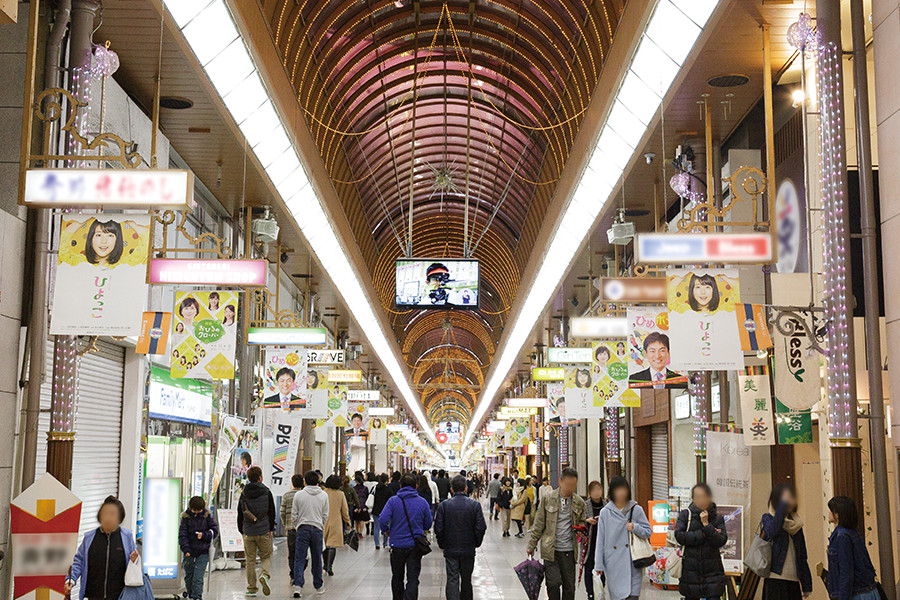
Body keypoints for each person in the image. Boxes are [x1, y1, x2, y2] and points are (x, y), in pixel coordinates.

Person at [528, 467, 586, 600]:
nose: (570, 488)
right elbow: (539, 523)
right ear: (560, 481)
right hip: (551, 549)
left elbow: (582, 522)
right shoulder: (548, 498)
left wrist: (582, 529)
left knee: (569, 587)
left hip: (569, 551)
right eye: (568, 484)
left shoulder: (579, 502)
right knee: (553, 584)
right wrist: (532, 544)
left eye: (573, 485)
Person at [66, 496, 139, 600]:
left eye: (112, 514)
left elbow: (134, 567)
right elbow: (79, 561)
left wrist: (134, 561)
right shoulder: (89, 538)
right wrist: (71, 580)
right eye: (105, 513)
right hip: (93, 596)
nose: (108, 517)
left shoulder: (126, 537)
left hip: (120, 596)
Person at [593, 476, 652, 600]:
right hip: (613, 563)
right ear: (612, 492)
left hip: (632, 562)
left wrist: (635, 527)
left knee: (632, 596)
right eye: (618, 490)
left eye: (623, 489)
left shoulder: (636, 509)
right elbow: (600, 540)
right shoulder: (605, 512)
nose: (621, 493)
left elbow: (648, 532)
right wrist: (598, 565)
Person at [380, 474, 434, 600]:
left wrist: (386, 531)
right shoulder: (422, 502)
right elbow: (428, 524)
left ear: (400, 485)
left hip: (397, 545)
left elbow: (383, 519)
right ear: (416, 486)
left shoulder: (393, 501)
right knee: (413, 578)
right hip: (415, 546)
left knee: (397, 577)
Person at [435, 475, 487, 600]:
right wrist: (476, 542)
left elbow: (438, 528)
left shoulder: (444, 506)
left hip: (450, 548)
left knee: (452, 579)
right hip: (468, 548)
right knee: (466, 579)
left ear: (451, 489)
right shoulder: (474, 505)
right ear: (465, 488)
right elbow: (481, 527)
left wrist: (442, 543)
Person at [674, 483, 728, 600]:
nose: (702, 500)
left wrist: (706, 525)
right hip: (690, 572)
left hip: (713, 571)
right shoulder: (685, 515)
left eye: (704, 496)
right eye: (698, 497)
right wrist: (704, 533)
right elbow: (679, 536)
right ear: (693, 499)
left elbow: (721, 541)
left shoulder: (717, 518)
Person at [761, 483, 812, 600]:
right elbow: (772, 531)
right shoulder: (768, 518)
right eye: (786, 498)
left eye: (791, 497)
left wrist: (806, 585)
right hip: (775, 579)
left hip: (793, 580)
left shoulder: (797, 524)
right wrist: (782, 507)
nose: (790, 501)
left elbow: (802, 556)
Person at [826, 496, 880, 600]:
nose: (828, 512)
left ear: (837, 514)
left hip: (857, 594)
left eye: (830, 510)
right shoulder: (852, 532)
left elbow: (846, 573)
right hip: (867, 590)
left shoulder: (842, 536)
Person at [237, 466, 276, 596]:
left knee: (250, 560)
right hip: (264, 530)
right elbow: (271, 512)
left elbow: (240, 514)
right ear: (260, 477)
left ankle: (251, 588)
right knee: (265, 556)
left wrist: (241, 530)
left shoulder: (244, 493)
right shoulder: (266, 492)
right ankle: (264, 575)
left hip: (248, 531)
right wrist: (271, 528)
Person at [291, 470, 329, 598]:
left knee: (300, 558)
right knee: (317, 558)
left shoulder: (299, 495)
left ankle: (298, 586)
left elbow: (294, 514)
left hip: (302, 528)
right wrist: (320, 525)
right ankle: (318, 586)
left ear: (305, 481)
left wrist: (298, 525)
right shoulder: (324, 495)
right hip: (317, 528)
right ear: (318, 481)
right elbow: (325, 515)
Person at [178, 496, 218, 600]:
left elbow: (214, 531)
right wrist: (185, 549)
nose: (196, 512)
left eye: (198, 510)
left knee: (198, 576)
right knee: (189, 575)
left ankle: (197, 597)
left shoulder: (207, 516)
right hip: (189, 551)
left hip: (203, 551)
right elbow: (183, 535)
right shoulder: (185, 518)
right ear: (190, 507)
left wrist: (204, 535)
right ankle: (191, 595)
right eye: (194, 510)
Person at [322, 475, 350, 577]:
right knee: (332, 545)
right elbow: (344, 510)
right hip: (336, 522)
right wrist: (348, 522)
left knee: (324, 544)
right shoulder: (341, 494)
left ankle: (325, 564)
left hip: (324, 521)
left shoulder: (323, 493)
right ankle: (330, 566)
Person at [583, 481, 605, 600]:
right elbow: (579, 521)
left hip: (603, 542)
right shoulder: (585, 505)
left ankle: (601, 589)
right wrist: (587, 520)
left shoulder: (606, 505)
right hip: (590, 542)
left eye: (599, 490)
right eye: (594, 490)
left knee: (602, 568)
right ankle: (590, 593)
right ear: (590, 493)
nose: (597, 492)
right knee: (589, 567)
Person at [281, 474, 303, 583]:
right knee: (302, 552)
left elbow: (282, 512)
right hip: (302, 528)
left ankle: (293, 574)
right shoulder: (304, 495)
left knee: (292, 552)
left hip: (291, 529)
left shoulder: (286, 495)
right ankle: (300, 572)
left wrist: (285, 524)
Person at [372, 472, 394, 549]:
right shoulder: (388, 489)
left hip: (376, 510)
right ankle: (385, 543)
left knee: (376, 527)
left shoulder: (375, 488)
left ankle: (377, 544)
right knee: (386, 526)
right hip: (385, 511)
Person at [353, 471, 370, 537]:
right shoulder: (365, 488)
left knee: (356, 519)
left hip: (356, 505)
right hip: (363, 505)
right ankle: (360, 532)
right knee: (361, 520)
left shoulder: (354, 488)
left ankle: (357, 531)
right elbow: (367, 496)